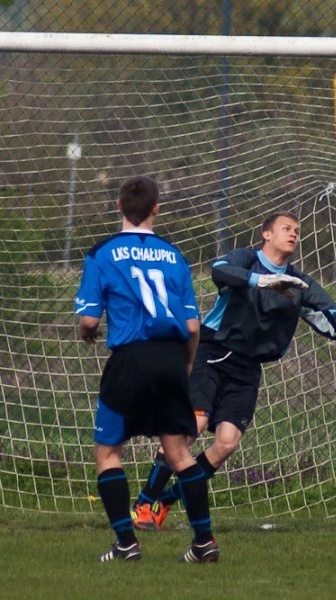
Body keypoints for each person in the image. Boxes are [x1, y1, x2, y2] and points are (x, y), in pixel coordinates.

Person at [130, 211, 336, 530]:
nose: (294, 234)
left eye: (297, 231)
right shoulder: (246, 260)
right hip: (213, 352)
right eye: (286, 228)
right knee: (193, 425)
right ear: (266, 235)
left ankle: (165, 501)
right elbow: (219, 270)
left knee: (227, 443)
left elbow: (332, 323)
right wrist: (261, 281)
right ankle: (144, 502)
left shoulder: (300, 283)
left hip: (248, 367)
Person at [74, 175, 218, 563]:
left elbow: (89, 322)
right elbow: (192, 327)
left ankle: (126, 544)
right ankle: (204, 543)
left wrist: (88, 332)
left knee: (108, 453)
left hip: (131, 359)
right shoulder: (175, 255)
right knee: (178, 453)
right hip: (171, 358)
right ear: (156, 208)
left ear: (118, 206)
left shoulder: (102, 252)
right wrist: (186, 363)